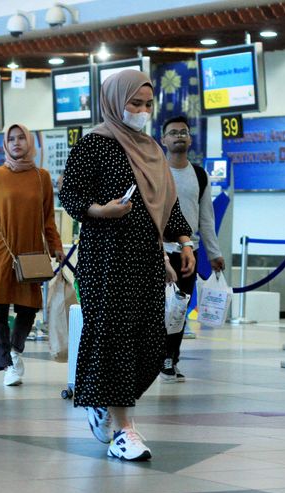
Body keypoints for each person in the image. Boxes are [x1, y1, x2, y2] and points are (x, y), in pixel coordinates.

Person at [59, 70, 194, 461]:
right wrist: (101, 210)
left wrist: (183, 242)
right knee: (115, 337)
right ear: (116, 102)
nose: (142, 111)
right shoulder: (95, 145)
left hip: (147, 258)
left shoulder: (152, 149)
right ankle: (124, 429)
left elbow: (167, 206)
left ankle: (105, 402)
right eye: (135, 103)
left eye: (148, 104)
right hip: (107, 258)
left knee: (151, 341)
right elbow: (71, 195)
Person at [0, 124, 65, 386]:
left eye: (21, 138)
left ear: (29, 142)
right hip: (0, 251)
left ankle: (16, 349)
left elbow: (48, 218)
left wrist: (55, 245)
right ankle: (7, 364)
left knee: (29, 306)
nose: (16, 143)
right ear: (5, 144)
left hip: (31, 250)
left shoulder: (41, 177)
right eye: (10, 139)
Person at [160, 115, 225, 383]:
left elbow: (206, 217)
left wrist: (214, 252)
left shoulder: (199, 175)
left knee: (179, 309)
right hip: (158, 251)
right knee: (156, 308)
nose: (179, 136)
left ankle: (169, 359)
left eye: (183, 132)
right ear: (163, 140)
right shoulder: (155, 171)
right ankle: (151, 356)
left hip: (189, 252)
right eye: (173, 132)